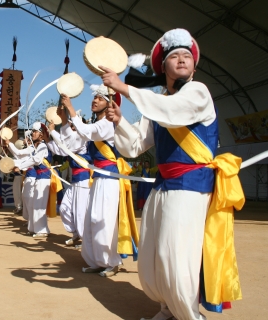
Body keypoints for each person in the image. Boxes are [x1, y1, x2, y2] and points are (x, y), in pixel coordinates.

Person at [102, 28, 243, 319]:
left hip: (191, 187)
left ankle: (190, 315)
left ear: (194, 65)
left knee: (176, 257)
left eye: (187, 56)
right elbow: (135, 146)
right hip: (164, 186)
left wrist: (125, 88)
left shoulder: (197, 92)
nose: (182, 60)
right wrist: (118, 122)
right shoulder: (159, 103)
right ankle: (167, 308)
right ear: (163, 66)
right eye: (174, 56)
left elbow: (174, 110)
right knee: (153, 258)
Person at [61, 83, 137, 278]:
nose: (94, 100)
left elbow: (86, 132)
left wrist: (71, 108)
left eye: (100, 98)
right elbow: (73, 140)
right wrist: (64, 121)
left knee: (105, 220)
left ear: (109, 103)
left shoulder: (108, 125)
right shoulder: (96, 125)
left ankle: (112, 261)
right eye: (94, 97)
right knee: (92, 220)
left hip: (110, 179)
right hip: (98, 180)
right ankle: (96, 260)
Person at [47, 114, 92, 247]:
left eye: (73, 125)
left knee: (80, 211)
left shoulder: (82, 138)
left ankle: (85, 240)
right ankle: (76, 233)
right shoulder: (73, 142)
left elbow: (65, 147)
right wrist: (48, 139)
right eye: (71, 125)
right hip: (75, 181)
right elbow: (61, 149)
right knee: (65, 208)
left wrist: (52, 131)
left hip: (84, 180)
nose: (71, 127)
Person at [12, 122, 61, 238]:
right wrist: (11, 163)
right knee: (34, 204)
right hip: (39, 178)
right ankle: (34, 228)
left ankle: (42, 230)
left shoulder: (43, 146)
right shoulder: (36, 147)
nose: (32, 134)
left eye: (35, 131)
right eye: (33, 131)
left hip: (44, 178)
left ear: (41, 134)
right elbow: (23, 157)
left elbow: (36, 160)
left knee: (39, 205)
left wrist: (20, 166)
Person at [6, 134, 36, 225]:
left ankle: (33, 220)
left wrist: (10, 144)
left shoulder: (32, 148)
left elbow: (19, 154)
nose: (25, 140)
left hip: (33, 176)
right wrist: (9, 147)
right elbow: (18, 156)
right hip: (28, 176)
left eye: (27, 138)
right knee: (26, 197)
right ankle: (30, 219)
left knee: (29, 198)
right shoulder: (29, 149)